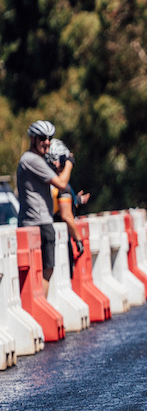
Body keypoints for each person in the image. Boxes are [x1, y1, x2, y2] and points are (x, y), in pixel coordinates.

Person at [16, 120, 74, 293]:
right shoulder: (32, 160)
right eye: (42, 138)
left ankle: (39, 307)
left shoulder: (33, 160)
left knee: (42, 270)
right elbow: (62, 183)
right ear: (33, 139)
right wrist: (70, 162)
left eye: (49, 138)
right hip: (39, 222)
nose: (47, 142)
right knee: (46, 270)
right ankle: (40, 307)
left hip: (35, 222)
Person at [46, 139, 89, 272]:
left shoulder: (44, 182)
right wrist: (78, 239)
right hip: (60, 240)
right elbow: (66, 215)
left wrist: (75, 200)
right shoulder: (61, 187)